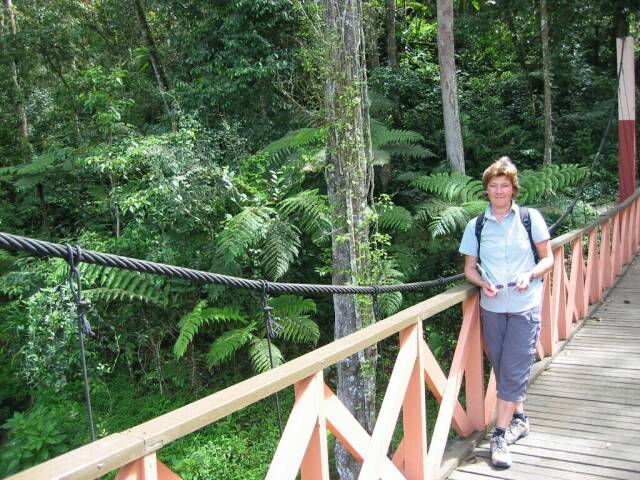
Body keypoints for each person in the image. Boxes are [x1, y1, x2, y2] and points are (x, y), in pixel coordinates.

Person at [458, 157, 553, 468]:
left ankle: (499, 436)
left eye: (504, 186)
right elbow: (469, 269)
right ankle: (520, 418)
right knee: (501, 367)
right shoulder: (477, 225)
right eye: (493, 186)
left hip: (525, 306)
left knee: (513, 368)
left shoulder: (529, 218)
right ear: (486, 191)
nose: (499, 191)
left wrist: (531, 274)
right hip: (492, 307)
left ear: (513, 189)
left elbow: (547, 258)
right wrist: (482, 282)